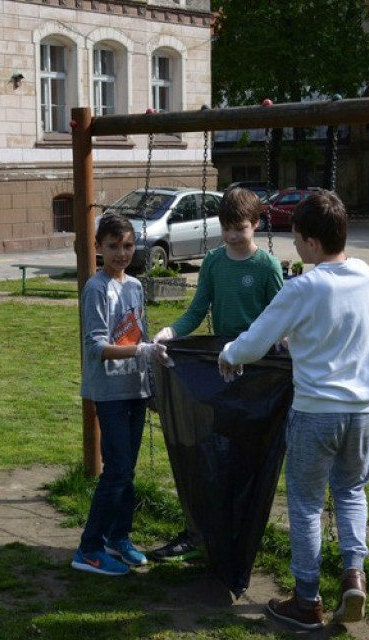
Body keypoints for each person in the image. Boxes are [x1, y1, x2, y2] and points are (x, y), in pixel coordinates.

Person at [217, 190, 369, 629]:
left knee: (307, 504)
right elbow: (335, 328)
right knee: (351, 492)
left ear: (311, 242)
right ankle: (354, 575)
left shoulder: (304, 286)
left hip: (317, 411)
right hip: (365, 409)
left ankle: (307, 600)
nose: (292, 245)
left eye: (295, 238)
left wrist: (229, 354)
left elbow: (254, 342)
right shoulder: (364, 274)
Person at [147, 186, 284, 562]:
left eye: (239, 228)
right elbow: (196, 311)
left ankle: (241, 535)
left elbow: (279, 317)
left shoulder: (266, 266)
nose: (231, 236)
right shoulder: (213, 263)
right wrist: (171, 332)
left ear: (255, 225)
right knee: (213, 451)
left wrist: (279, 346)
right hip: (222, 365)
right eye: (226, 228)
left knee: (249, 455)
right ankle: (202, 531)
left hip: (257, 370)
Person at [72, 212, 171, 576]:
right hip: (110, 392)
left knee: (127, 470)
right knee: (115, 470)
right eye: (113, 246)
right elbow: (97, 346)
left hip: (134, 388)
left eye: (127, 245)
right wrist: (140, 351)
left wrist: (152, 380)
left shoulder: (134, 287)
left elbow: (139, 337)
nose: (121, 253)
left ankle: (119, 536)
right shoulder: (96, 289)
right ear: (99, 247)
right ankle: (89, 548)